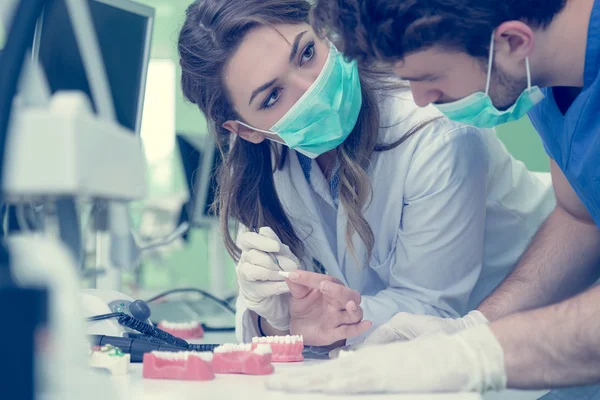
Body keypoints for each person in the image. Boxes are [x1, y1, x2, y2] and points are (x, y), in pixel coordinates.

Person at [177, 0, 554, 355]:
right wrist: (272, 320)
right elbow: (266, 302)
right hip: (437, 362)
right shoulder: (268, 164)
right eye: (272, 97)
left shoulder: (435, 129)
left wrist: (310, 322)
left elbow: (430, 310)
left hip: (540, 337)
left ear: (321, 29)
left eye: (307, 53)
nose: (310, 90)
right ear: (245, 130)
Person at [266, 0, 600, 397]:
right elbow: (579, 218)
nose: (421, 100)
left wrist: (477, 354)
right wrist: (475, 327)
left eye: (430, 78)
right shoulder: (544, 76)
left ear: (512, 41)